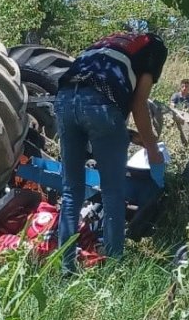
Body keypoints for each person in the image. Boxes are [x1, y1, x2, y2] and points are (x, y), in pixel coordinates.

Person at [55, 29, 167, 270]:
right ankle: (114, 268)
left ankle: (66, 268)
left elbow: (90, 101)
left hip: (64, 99)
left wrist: (126, 134)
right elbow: (139, 103)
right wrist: (152, 149)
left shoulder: (112, 40)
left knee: (71, 191)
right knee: (113, 193)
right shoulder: (154, 45)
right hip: (101, 104)